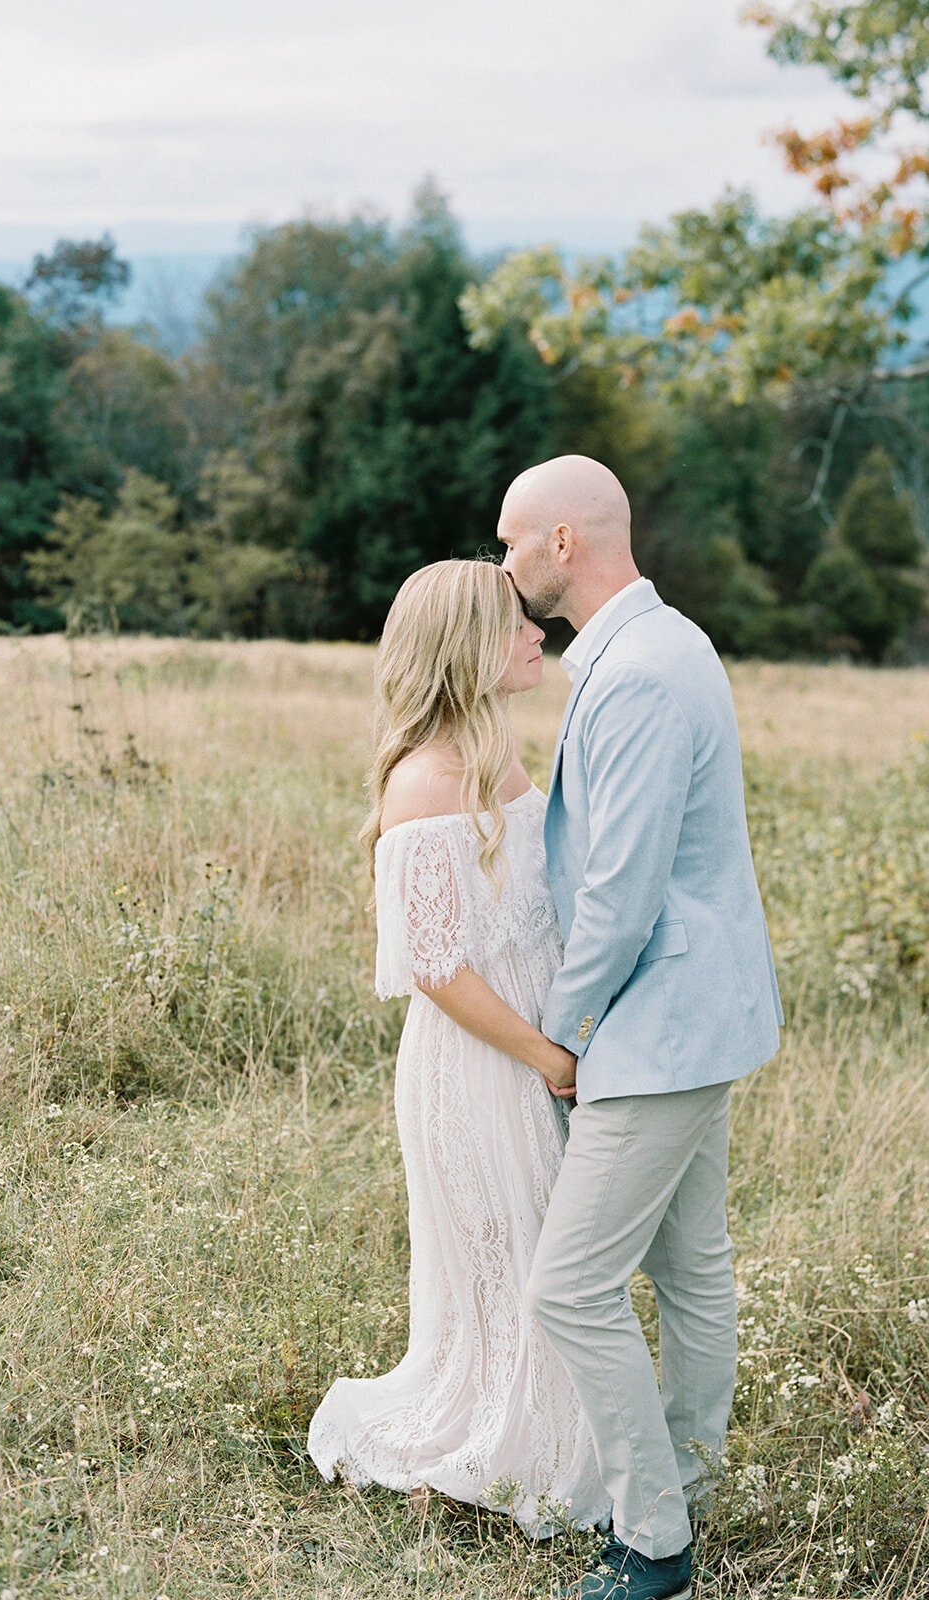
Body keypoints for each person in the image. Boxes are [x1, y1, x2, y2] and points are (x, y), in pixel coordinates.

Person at [498, 455, 784, 1600]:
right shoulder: (652, 647)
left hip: (656, 1022)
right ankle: (688, 1491)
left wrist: (564, 1032)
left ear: (565, 540)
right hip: (692, 1011)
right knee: (692, 1267)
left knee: (568, 1285)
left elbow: (619, 893)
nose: (503, 558)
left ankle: (655, 1541)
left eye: (513, 537)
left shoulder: (645, 671)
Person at [307, 559, 609, 1536]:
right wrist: (546, 1055)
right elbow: (436, 965)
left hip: (535, 1040)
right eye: (518, 626)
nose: (538, 637)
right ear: (467, 647)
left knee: (548, 1255)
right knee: (513, 1256)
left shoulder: (497, 750)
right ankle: (506, 1446)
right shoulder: (426, 782)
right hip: (484, 1061)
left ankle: (559, 1437)